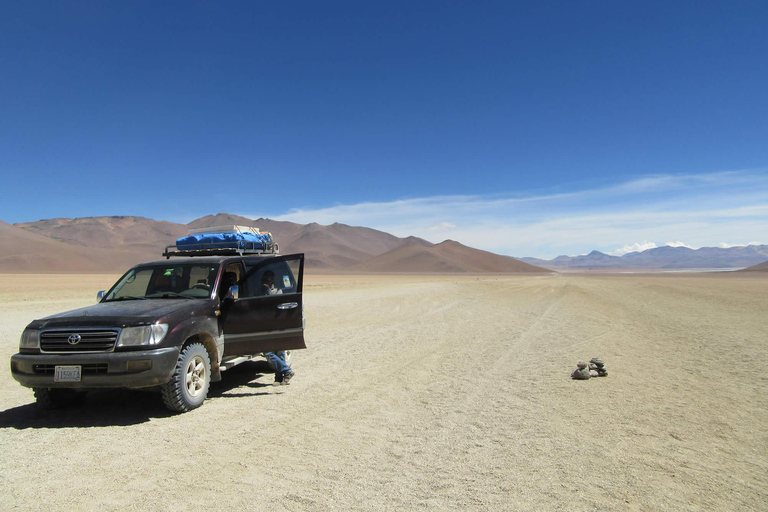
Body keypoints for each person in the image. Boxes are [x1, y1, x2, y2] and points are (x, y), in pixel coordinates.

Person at [259, 270, 294, 385]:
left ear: (273, 280)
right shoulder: (259, 291)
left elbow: (274, 301)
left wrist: (267, 290)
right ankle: (281, 376)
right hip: (265, 325)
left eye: (268, 280)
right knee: (272, 351)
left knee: (275, 352)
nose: (266, 282)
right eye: (264, 280)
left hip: (277, 324)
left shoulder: (278, 291)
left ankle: (285, 372)